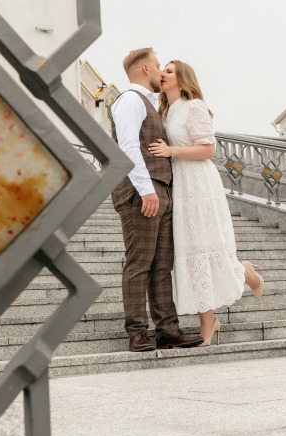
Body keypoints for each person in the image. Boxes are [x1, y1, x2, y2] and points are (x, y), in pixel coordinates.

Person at [148, 61, 264, 346]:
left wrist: (171, 150)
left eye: (170, 71)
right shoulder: (165, 110)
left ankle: (238, 286)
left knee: (202, 247)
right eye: (162, 69)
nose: (162, 73)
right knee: (189, 250)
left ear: (183, 78)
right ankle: (216, 308)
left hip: (198, 184)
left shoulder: (194, 106)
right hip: (178, 184)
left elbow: (208, 149)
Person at [110, 48, 204, 353]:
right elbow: (126, 146)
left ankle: (167, 330)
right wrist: (145, 189)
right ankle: (137, 332)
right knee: (140, 264)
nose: (161, 70)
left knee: (162, 266)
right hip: (142, 192)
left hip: (161, 190)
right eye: (158, 65)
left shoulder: (151, 104)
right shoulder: (129, 100)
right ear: (146, 69)